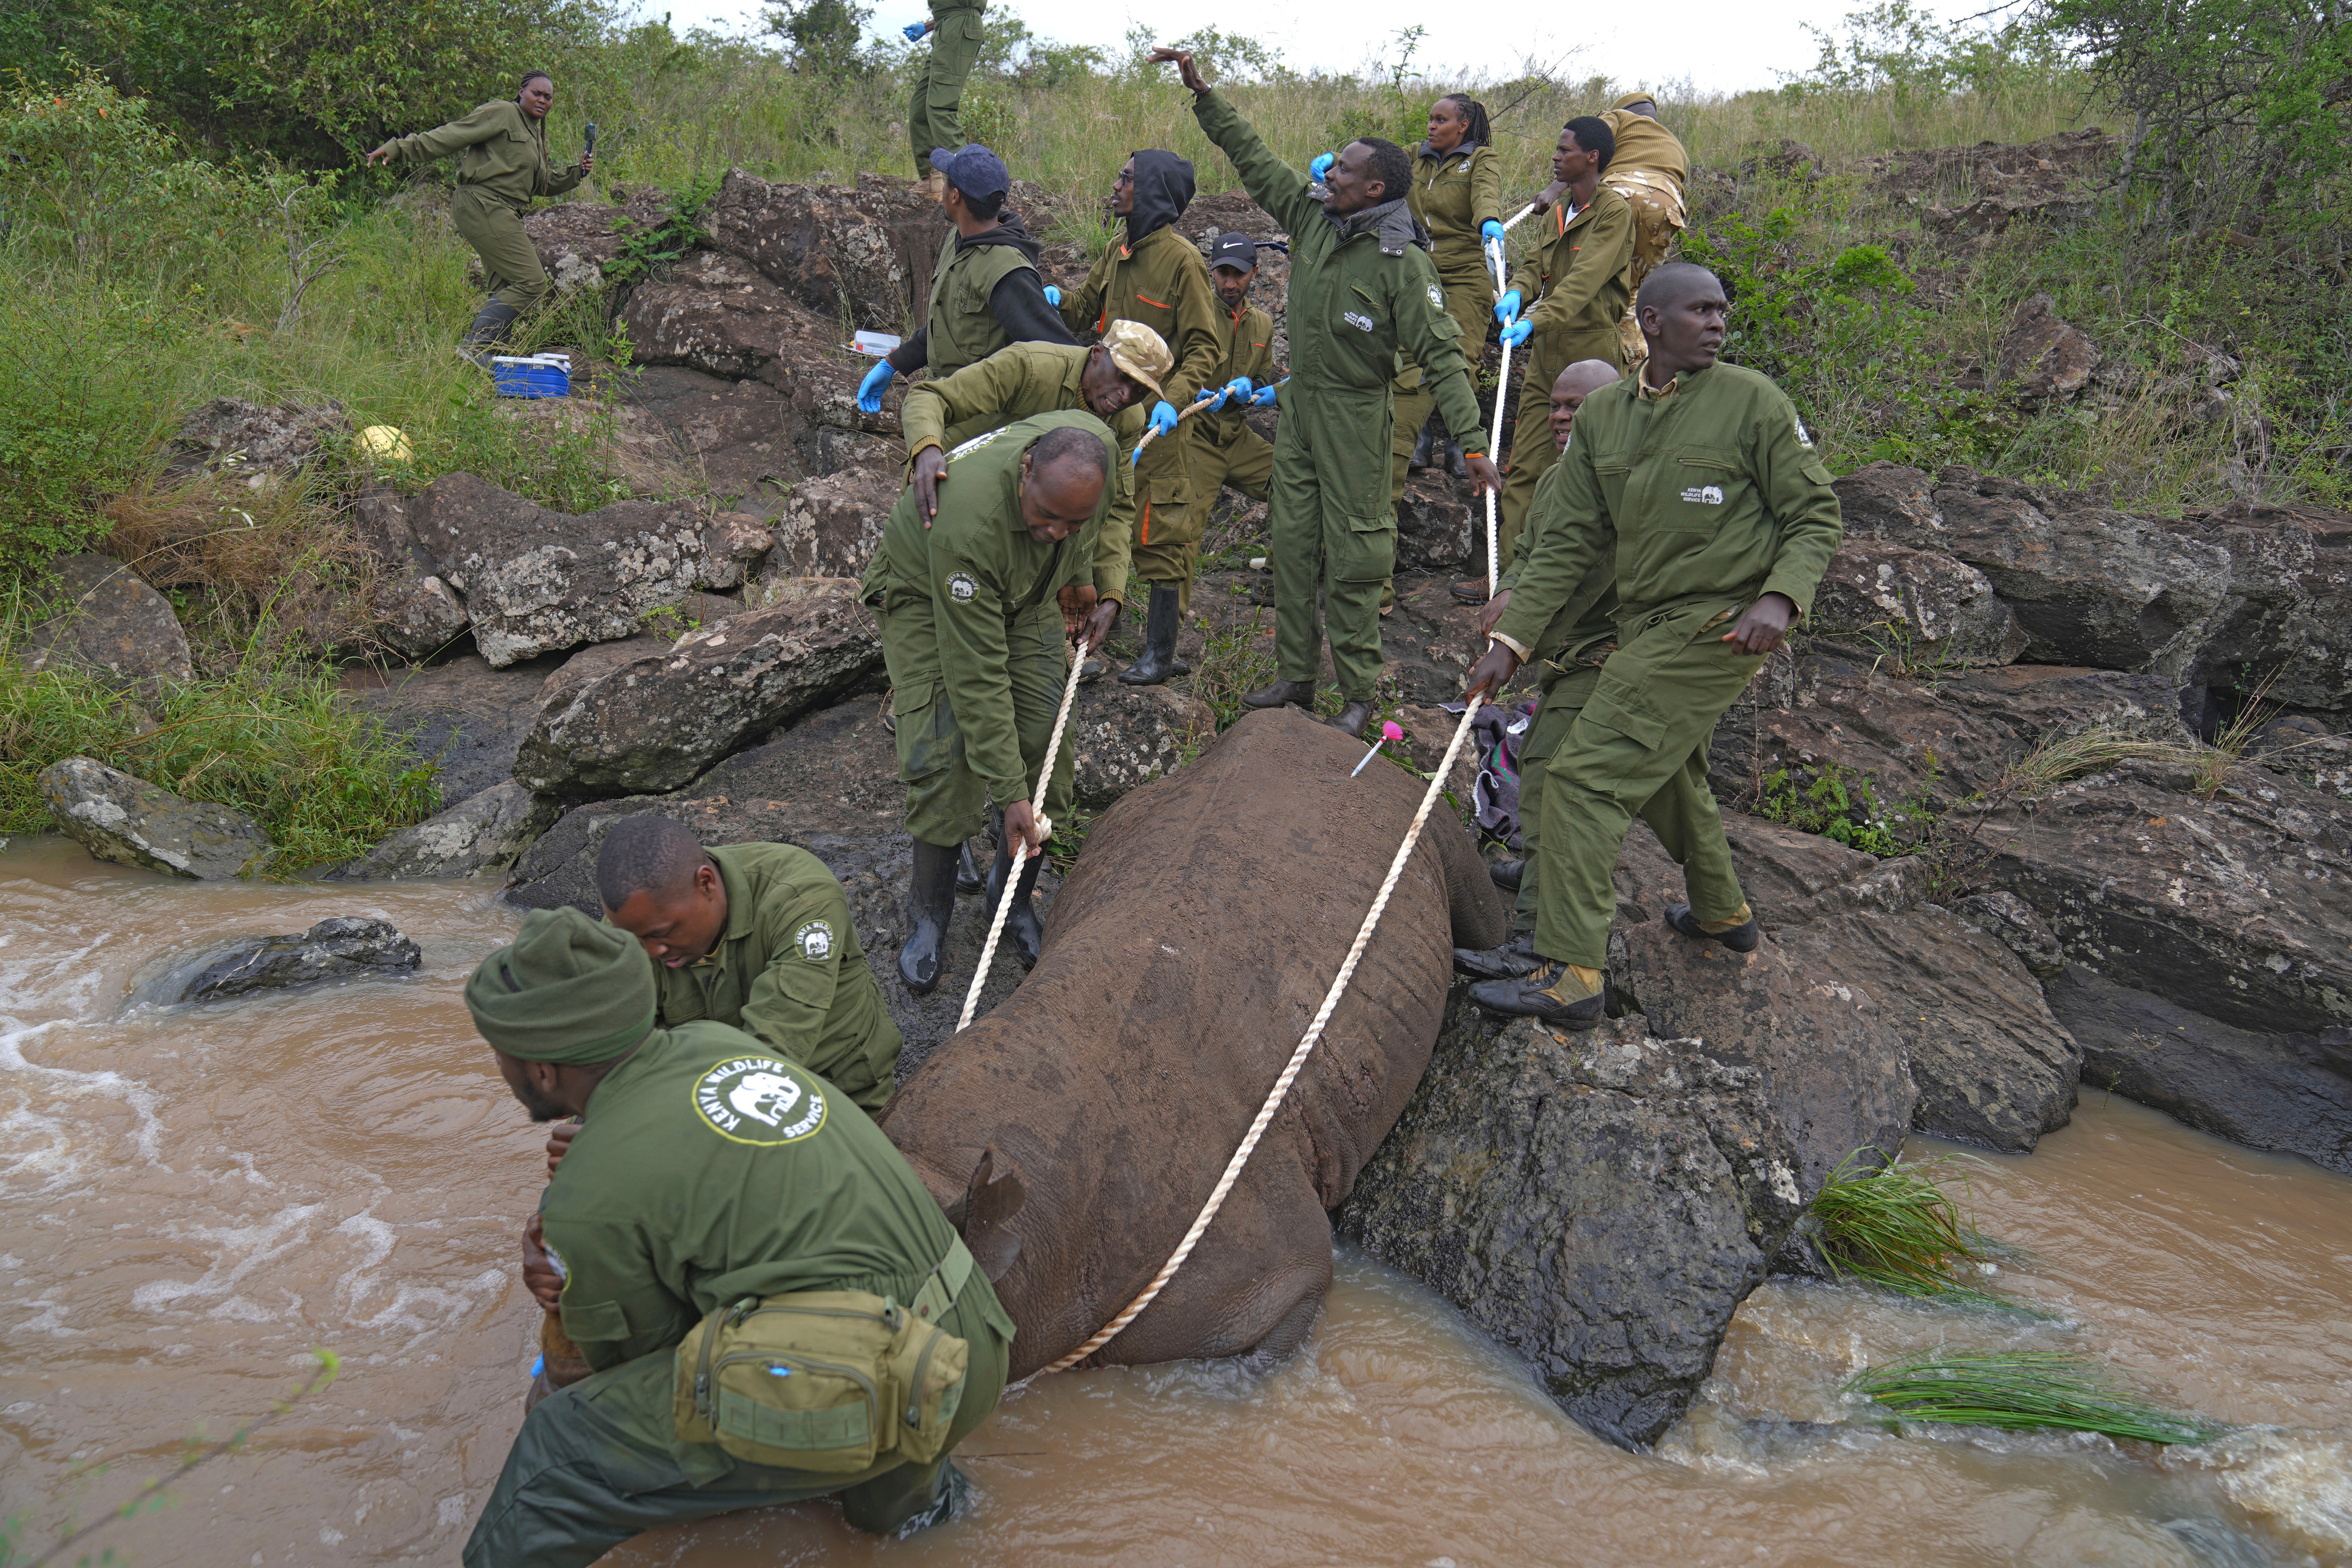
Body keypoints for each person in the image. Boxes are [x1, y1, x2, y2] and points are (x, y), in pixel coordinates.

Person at [462, 907, 1014, 1565]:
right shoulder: (717, 1044)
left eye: (499, 1050)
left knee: (558, 1452)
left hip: (883, 1376)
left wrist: (568, 1285)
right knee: (893, 1530)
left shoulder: (590, 1195)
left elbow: (630, 1369)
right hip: (971, 1339)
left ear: (543, 1068)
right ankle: (928, 1513)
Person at [1460, 264, 1843, 1028]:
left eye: (1722, 311)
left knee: (1582, 777)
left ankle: (1571, 973)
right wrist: (1511, 642)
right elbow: (1566, 544)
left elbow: (1816, 514)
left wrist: (1781, 595)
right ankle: (1722, 912)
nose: (1718, 323)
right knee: (1666, 773)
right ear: (1653, 321)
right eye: (1700, 310)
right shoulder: (1606, 417)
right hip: (1643, 628)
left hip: (1720, 625)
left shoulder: (1752, 402)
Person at [1150, 45, 1501, 739]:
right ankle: (1296, 677)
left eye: (1343, 168)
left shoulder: (1404, 265)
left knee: (1357, 555)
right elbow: (1254, 157)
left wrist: (1470, 443)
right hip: (1301, 410)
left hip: (1357, 417)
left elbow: (1442, 357)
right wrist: (1204, 94)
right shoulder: (1312, 218)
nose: (1329, 172)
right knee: (1292, 540)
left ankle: (1360, 694)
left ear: (1375, 190)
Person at [860, 415, 1122, 993]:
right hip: (928, 593)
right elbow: (976, 676)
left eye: (1072, 522)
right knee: (944, 745)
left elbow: (1101, 528)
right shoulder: (968, 524)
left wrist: (1095, 582)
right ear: (1026, 473)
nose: (1058, 530)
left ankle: (1010, 901)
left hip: (1023, 592)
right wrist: (1007, 793)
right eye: (1047, 515)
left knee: (1047, 732)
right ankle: (929, 915)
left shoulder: (1096, 462)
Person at [1447, 359, 1624, 982]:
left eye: (1576, 406)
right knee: (1550, 782)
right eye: (1554, 404)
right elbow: (1533, 557)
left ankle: (1551, 947)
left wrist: (1514, 645)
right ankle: (1533, 911)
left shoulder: (1619, 481)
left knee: (1566, 788)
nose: (1559, 416)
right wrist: (1511, 591)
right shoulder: (1556, 483)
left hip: (1616, 661)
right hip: (1571, 660)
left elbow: (1582, 577)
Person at [898, 322, 1170, 691]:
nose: (1125, 395)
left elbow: (1117, 508)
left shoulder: (1125, 421)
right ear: (1097, 354)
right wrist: (927, 449)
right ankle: (919, 682)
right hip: (951, 491)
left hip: (1036, 516)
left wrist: (1110, 595)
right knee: (950, 589)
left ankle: (1036, 649)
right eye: (1122, 377)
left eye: (1140, 390)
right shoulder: (1031, 367)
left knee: (1042, 556)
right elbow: (932, 397)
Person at [596, 815, 904, 1112]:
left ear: (706, 883)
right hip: (707, 1090)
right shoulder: (630, 932)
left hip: (837, 1087)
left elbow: (773, 1047)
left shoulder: (803, 900)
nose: (651, 952)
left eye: (662, 934)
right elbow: (607, 1051)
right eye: (637, 940)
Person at [1057, 152, 1223, 678]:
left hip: (1157, 425)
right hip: (1106, 415)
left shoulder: (1184, 262)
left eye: (1126, 179)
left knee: (1160, 531)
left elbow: (1204, 347)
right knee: (1094, 520)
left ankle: (1159, 654)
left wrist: (1170, 404)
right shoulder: (1116, 251)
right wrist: (1050, 298)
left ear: (1150, 192)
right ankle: (1089, 635)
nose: (1116, 185)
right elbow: (1085, 311)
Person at [1476, 117, 1634, 604]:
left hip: (1592, 358)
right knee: (1525, 467)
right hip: (1546, 357)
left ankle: (1595, 584)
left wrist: (1534, 319)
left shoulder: (1614, 213)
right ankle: (1510, 579)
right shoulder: (1557, 210)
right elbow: (1533, 267)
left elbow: (1583, 281)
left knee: (1594, 469)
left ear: (1593, 158)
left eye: (1565, 150)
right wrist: (1518, 295)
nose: (1556, 157)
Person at [1118, 230, 1279, 687]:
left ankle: (1278, 579)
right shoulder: (1197, 310)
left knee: (1298, 485)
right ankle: (1162, 649)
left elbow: (1262, 380)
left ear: (1254, 274)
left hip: (1238, 435)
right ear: (1212, 271)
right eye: (1222, 272)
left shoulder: (1263, 325)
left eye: (1238, 273)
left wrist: (1259, 392)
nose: (1230, 282)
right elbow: (1173, 365)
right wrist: (1191, 392)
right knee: (1182, 536)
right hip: (1197, 437)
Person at [366, 71, 593, 363]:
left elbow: (540, 185)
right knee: (532, 282)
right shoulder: (503, 112)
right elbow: (452, 135)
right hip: (482, 203)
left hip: (505, 211)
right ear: (522, 91)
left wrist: (578, 173)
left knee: (507, 286)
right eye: (537, 93)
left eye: (549, 98)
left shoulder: (535, 134)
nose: (543, 100)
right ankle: (476, 349)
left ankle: (489, 363)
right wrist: (400, 148)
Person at [858, 143, 1074, 414]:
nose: (942, 190)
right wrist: (894, 363)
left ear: (955, 196)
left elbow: (1065, 356)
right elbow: (948, 328)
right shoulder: (959, 239)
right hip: (946, 409)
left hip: (982, 422)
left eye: (945, 183)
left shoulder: (1006, 272)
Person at [1391, 94, 1505, 499]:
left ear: (1463, 126)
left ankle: (1463, 442)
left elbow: (1485, 194)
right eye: (1430, 119)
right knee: (1410, 353)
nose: (1432, 126)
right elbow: (1375, 160)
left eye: (1442, 120)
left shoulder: (1480, 160)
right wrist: (1333, 165)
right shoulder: (1413, 157)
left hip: (1465, 273)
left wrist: (1489, 220)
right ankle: (1417, 438)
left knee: (1461, 354)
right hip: (1419, 271)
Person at [1538, 93, 1690, 367]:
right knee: (1634, 293)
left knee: (1594, 279)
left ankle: (1589, 362)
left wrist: (1554, 189)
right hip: (1666, 206)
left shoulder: (1619, 118)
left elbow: (1587, 148)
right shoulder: (1674, 142)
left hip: (1621, 193)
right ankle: (1637, 368)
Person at [904, 0, 988, 195]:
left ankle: (973, 187)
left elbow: (964, 8)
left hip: (958, 27)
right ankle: (931, 181)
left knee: (941, 108)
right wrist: (928, 27)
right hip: (946, 26)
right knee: (920, 107)